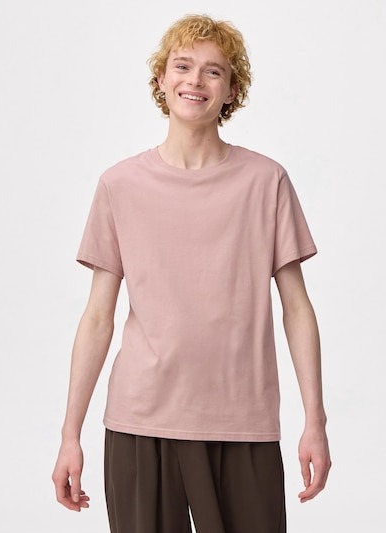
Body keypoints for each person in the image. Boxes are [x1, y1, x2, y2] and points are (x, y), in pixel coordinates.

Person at [52, 13, 331, 532]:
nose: (195, 80)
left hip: (242, 421)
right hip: (141, 421)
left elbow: (297, 309)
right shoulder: (120, 186)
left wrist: (315, 420)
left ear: (231, 90)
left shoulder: (266, 182)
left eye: (213, 71)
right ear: (161, 79)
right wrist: (70, 434)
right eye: (182, 66)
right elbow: (97, 317)